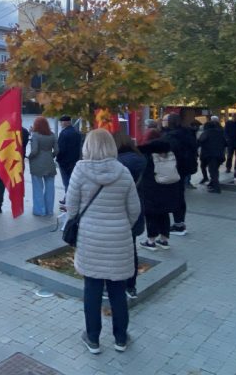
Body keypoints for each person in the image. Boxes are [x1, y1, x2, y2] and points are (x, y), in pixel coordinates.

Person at [66, 129, 140, 354]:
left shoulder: (80, 170)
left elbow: (71, 207)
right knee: (118, 290)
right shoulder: (124, 172)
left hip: (90, 238)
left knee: (92, 288)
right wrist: (120, 225)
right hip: (119, 238)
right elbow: (134, 210)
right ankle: (120, 338)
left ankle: (93, 338)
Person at [114, 131, 146, 299]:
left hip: (118, 212)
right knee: (131, 249)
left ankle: (113, 284)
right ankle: (131, 286)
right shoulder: (142, 160)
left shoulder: (118, 164)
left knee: (114, 251)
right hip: (137, 208)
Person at [137, 136, 179, 251]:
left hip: (152, 190)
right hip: (168, 188)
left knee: (151, 215)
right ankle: (164, 240)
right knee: (164, 214)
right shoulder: (170, 155)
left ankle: (151, 241)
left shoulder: (149, 156)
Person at [161, 113, 197, 235]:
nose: (162, 121)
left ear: (170, 122)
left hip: (173, 169)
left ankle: (177, 225)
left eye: (165, 120)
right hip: (184, 169)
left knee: (172, 197)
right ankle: (180, 223)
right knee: (179, 195)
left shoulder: (171, 136)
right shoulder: (187, 133)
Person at [0, 126, 29, 214]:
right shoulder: (24, 131)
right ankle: (17, 206)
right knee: (17, 184)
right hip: (18, 161)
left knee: (1, 184)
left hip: (6, 160)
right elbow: (24, 144)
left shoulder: (5, 131)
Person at [28, 116, 57, 217]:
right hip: (50, 163)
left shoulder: (35, 135)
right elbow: (57, 150)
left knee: (38, 188)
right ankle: (49, 210)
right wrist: (50, 156)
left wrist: (29, 157)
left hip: (37, 164)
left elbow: (34, 151)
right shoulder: (52, 135)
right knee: (50, 188)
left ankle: (40, 210)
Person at [56, 115, 82, 201]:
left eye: (61, 122)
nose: (60, 124)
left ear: (66, 122)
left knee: (66, 182)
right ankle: (70, 198)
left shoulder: (63, 133)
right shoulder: (76, 132)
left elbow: (61, 148)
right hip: (74, 160)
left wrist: (58, 159)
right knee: (72, 181)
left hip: (64, 162)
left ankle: (68, 199)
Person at [198, 117, 226, 193]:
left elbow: (200, 141)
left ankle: (216, 188)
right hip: (220, 154)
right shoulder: (220, 132)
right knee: (215, 170)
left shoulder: (206, 133)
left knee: (212, 171)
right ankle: (213, 183)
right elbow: (226, 143)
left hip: (210, 154)